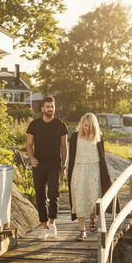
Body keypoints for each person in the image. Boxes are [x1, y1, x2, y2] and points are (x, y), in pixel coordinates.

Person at [68, 112, 118, 241]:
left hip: (94, 170)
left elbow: (103, 157)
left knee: (93, 198)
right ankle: (82, 231)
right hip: (79, 170)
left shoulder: (98, 137)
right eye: (85, 125)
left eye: (89, 126)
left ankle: (92, 220)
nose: (87, 128)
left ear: (94, 126)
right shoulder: (74, 137)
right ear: (81, 124)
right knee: (79, 199)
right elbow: (70, 156)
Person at [27, 96, 68, 239]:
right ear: (42, 109)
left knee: (53, 193)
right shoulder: (34, 125)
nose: (50, 109)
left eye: (52, 107)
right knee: (40, 196)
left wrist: (63, 166)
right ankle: (44, 227)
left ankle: (53, 223)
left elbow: (64, 146)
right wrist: (31, 158)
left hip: (54, 165)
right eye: (48, 107)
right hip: (38, 164)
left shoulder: (61, 125)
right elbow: (29, 145)